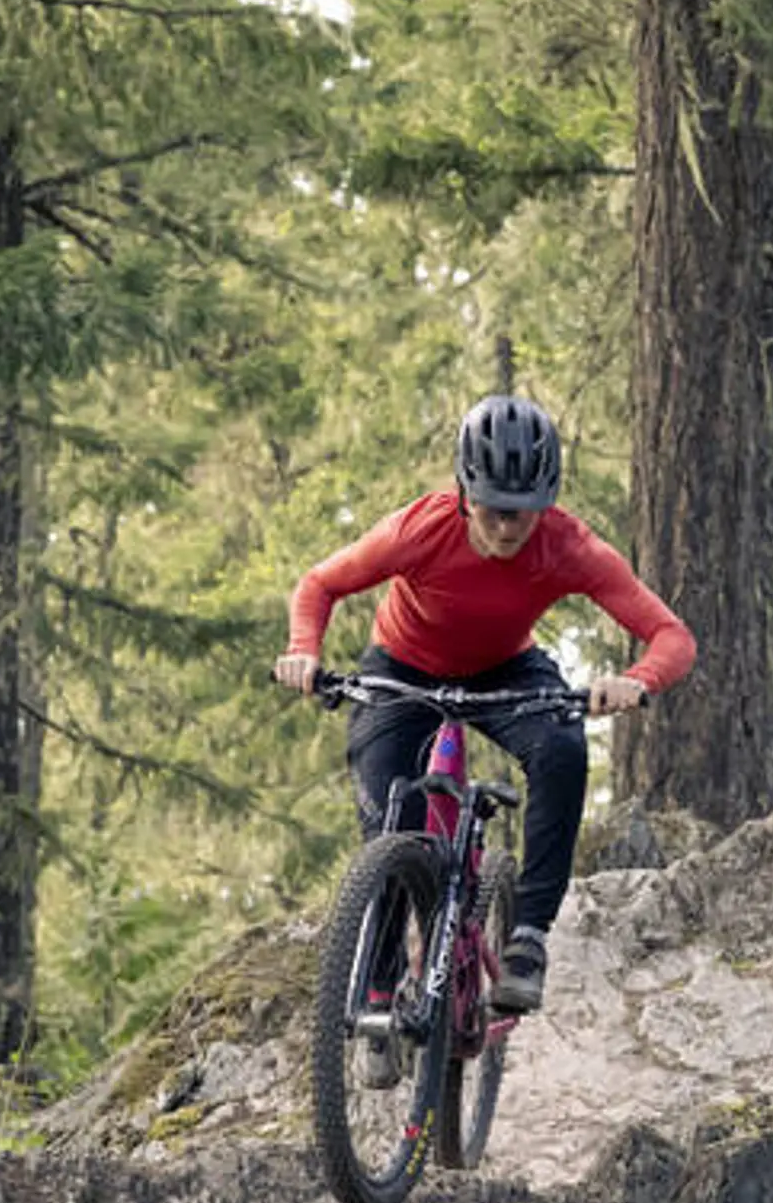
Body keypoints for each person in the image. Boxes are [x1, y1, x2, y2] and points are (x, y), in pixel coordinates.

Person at [275, 395, 694, 1021]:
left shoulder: (569, 546)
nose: (507, 529)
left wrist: (637, 679)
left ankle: (527, 936)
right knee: (394, 820)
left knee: (561, 745)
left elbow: (673, 637)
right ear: (467, 493)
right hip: (401, 667)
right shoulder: (420, 528)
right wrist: (303, 652)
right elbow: (320, 584)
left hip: (505, 668)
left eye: (524, 516)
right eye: (496, 511)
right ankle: (382, 978)